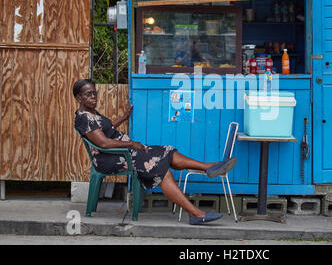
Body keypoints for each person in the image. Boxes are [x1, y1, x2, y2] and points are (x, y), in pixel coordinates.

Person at [73, 79, 236, 225]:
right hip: (112, 158)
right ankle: (195, 213)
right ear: (79, 98)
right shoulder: (83, 118)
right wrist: (131, 143)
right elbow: (102, 142)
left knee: (166, 151)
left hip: (123, 152)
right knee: (161, 169)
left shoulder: (91, 113)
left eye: (94, 93)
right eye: (88, 94)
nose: (93, 97)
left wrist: (123, 117)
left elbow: (106, 128)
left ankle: (208, 167)